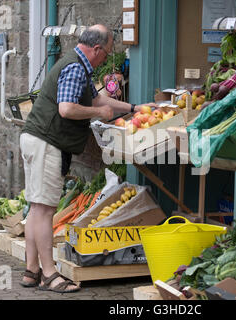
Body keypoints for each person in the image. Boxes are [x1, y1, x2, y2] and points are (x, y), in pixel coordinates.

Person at [18, 24, 157, 293]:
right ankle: (50, 274)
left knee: (37, 208)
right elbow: (68, 108)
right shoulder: (74, 67)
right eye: (106, 53)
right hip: (47, 142)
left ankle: (31, 271)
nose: (107, 58)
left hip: (36, 138)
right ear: (96, 49)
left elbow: (96, 100)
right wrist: (99, 113)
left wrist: (133, 108)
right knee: (45, 210)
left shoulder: (78, 66)